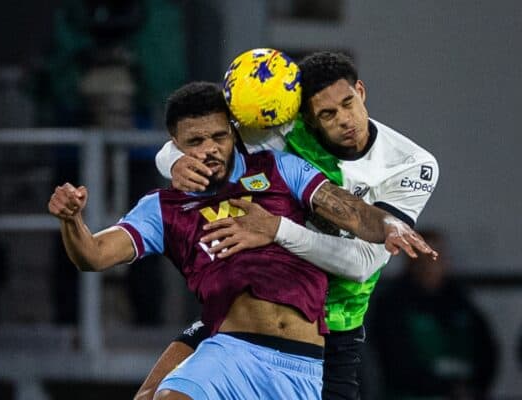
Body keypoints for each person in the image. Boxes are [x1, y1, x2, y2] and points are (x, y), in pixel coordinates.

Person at [49, 81, 435, 400]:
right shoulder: (162, 208)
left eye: (219, 136)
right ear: (175, 145)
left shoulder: (280, 170)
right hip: (232, 352)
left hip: (305, 366)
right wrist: (72, 221)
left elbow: (349, 211)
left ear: (235, 132)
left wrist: (388, 224)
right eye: (195, 141)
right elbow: (94, 256)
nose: (210, 149)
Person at [143, 51, 439, 400]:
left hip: (333, 331)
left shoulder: (412, 164)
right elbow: (197, 144)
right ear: (309, 119)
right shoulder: (286, 131)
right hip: (253, 312)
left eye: (348, 103)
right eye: (327, 114)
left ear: (361, 91)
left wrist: (276, 229)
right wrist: (176, 161)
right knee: (151, 394)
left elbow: (362, 264)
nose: (345, 120)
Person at [369, 230, 498, 399]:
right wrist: (446, 388)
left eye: (437, 256)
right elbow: (395, 362)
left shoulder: (463, 303)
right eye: (422, 257)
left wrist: (473, 389)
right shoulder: (391, 304)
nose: (430, 264)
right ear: (410, 260)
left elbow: (488, 352)